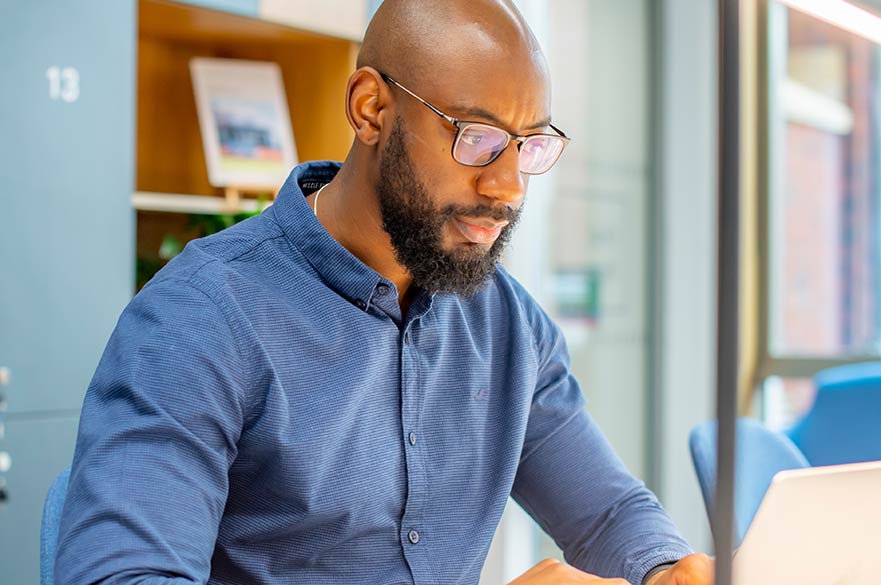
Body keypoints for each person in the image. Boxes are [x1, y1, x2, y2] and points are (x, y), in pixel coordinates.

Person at [56, 1, 714, 584]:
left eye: (527, 145)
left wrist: (663, 568)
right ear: (371, 108)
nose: (509, 186)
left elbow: (607, 512)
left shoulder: (509, 326)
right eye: (476, 138)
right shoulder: (201, 317)